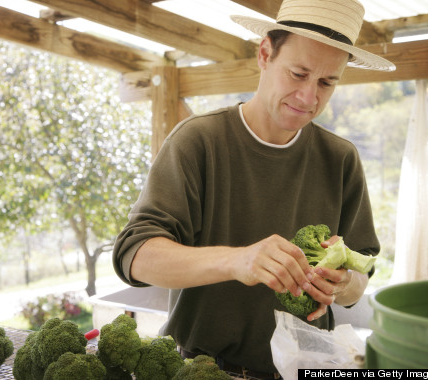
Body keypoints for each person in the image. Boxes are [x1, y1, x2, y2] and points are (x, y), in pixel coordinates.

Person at [113, 0, 395, 377]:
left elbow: (360, 278)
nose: (309, 98)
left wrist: (341, 284)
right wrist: (237, 260)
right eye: (298, 73)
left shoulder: (341, 159)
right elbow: (135, 255)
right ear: (265, 54)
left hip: (307, 367)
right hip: (202, 370)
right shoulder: (198, 141)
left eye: (327, 82)